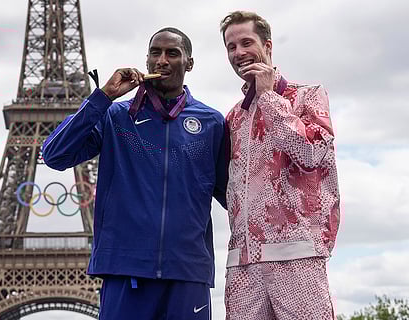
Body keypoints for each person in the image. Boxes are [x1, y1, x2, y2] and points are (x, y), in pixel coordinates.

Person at [42, 27, 227, 320]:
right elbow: (54, 155)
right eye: (155, 53)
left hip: (188, 273)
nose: (162, 60)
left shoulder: (212, 123)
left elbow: (234, 196)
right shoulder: (116, 116)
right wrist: (102, 97)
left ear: (189, 63)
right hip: (125, 269)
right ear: (147, 60)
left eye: (172, 53)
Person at [219, 11, 340, 320]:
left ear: (268, 46)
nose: (239, 53)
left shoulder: (309, 96)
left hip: (297, 255)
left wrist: (268, 96)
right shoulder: (233, 117)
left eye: (246, 43)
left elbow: (309, 154)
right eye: (231, 47)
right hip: (242, 263)